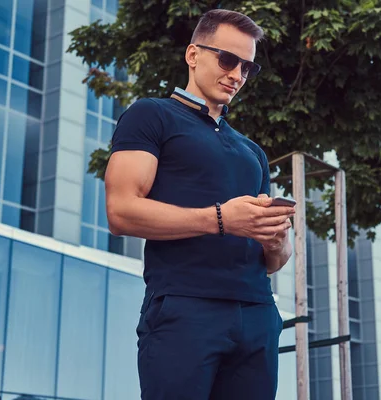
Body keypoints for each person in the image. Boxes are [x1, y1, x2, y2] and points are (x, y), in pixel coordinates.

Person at [105, 8, 295, 400]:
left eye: (248, 67)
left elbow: (275, 259)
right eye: (228, 60)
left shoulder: (253, 152)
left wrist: (276, 240)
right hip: (185, 309)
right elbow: (120, 211)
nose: (237, 75)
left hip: (258, 313)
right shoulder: (151, 115)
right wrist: (222, 219)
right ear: (193, 55)